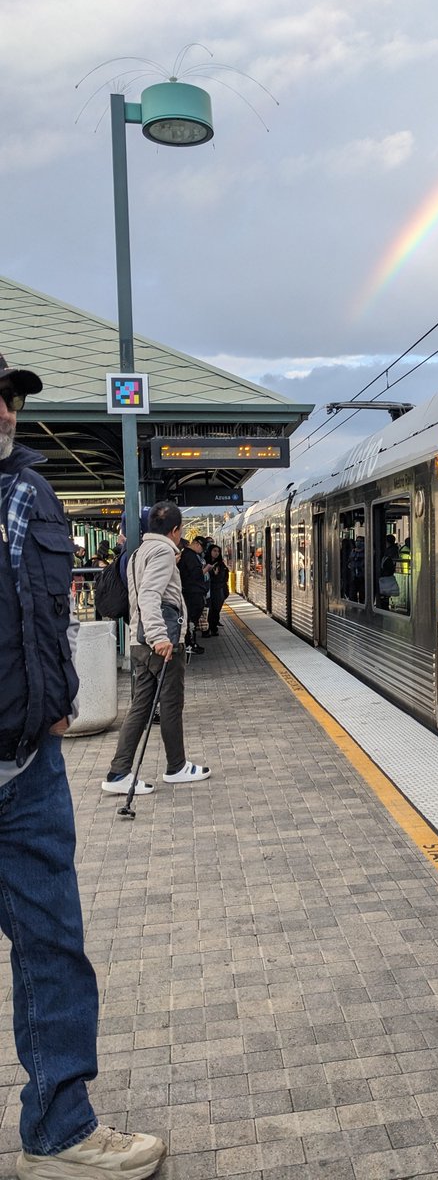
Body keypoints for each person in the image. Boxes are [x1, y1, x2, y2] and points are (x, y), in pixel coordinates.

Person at [0, 352, 166, 1177]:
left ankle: (60, 1131)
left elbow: (41, 612)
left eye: (9, 397)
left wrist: (56, 697)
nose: (4, 410)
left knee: (55, 948)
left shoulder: (31, 492)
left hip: (26, 768)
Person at [102, 502, 211, 794]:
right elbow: (150, 595)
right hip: (160, 645)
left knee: (140, 708)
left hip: (140, 642)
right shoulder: (162, 552)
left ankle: (119, 772)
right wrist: (160, 637)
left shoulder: (139, 551)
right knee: (172, 705)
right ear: (176, 530)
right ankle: (176, 767)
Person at [177, 535, 207, 655]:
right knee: (191, 620)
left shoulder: (186, 554)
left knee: (191, 620)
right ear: (197, 544)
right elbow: (195, 574)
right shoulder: (190, 556)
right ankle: (190, 644)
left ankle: (191, 643)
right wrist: (203, 570)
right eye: (202, 548)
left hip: (190, 592)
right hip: (192, 593)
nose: (202, 551)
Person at [205, 544, 229, 635]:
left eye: (218, 551)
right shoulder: (205, 562)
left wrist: (215, 575)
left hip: (218, 590)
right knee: (208, 610)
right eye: (214, 551)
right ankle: (206, 629)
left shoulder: (221, 564)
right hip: (207, 590)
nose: (216, 553)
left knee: (215, 610)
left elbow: (223, 577)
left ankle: (213, 628)